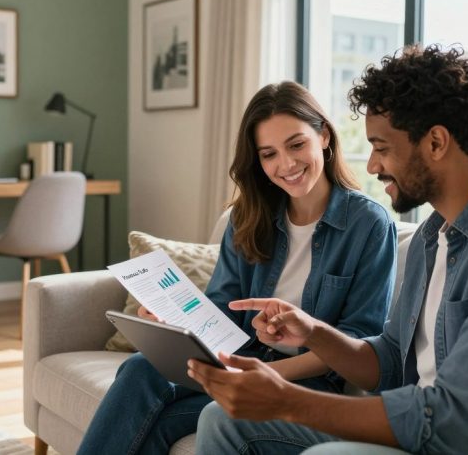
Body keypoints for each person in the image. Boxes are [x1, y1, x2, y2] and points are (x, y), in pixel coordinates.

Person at [190, 44, 468, 455]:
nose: (371, 166)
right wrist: (314, 332)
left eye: (382, 147)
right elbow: (390, 359)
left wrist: (285, 399)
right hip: (423, 429)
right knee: (222, 421)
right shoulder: (435, 233)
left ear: (436, 143)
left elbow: (452, 422)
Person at [77, 81, 398, 455]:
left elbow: (359, 340)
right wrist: (173, 323)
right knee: (139, 368)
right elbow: (220, 308)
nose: (286, 165)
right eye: (268, 154)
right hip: (238, 362)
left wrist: (268, 376)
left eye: (296, 145)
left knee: (160, 423)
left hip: (307, 385)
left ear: (323, 136)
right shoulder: (248, 216)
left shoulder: (369, 224)